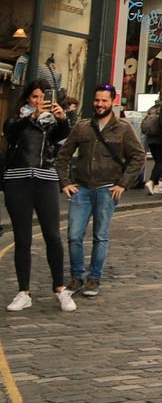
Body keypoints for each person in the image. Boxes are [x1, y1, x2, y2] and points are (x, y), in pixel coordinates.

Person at [56, 85, 146, 300]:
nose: (99, 104)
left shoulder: (123, 129)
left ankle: (94, 278)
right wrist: (65, 183)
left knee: (100, 236)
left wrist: (123, 184)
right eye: (97, 100)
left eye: (104, 101)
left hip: (107, 190)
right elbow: (63, 155)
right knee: (74, 235)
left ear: (112, 102)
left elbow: (139, 156)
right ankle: (77, 277)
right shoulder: (82, 127)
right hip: (82, 189)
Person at [4, 82, 73, 312]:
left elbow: (64, 138)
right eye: (34, 97)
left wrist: (63, 119)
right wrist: (32, 116)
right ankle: (23, 292)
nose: (39, 101)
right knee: (22, 238)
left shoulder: (52, 123)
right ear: (27, 99)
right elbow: (10, 133)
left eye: (43, 97)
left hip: (45, 179)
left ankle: (60, 289)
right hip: (18, 179)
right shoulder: (17, 120)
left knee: (52, 234)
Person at [143, 84, 162, 195]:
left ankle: (157, 184)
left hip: (151, 139)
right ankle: (152, 182)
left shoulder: (152, 108)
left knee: (158, 161)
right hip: (161, 138)